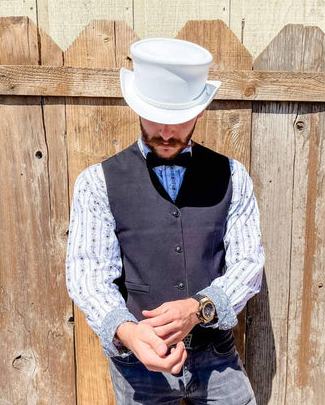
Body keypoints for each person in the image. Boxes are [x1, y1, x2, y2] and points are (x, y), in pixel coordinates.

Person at [66, 38, 265, 405]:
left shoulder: (233, 176)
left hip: (217, 356)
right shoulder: (96, 182)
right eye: (155, 116)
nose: (166, 132)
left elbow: (249, 264)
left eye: (178, 120)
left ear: (200, 111)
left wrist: (198, 308)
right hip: (137, 362)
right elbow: (87, 275)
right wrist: (127, 332)